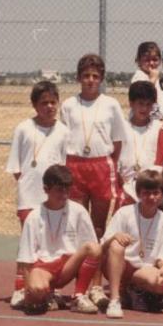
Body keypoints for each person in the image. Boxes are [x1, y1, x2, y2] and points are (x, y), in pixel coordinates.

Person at [7, 80, 70, 307]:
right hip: (29, 196)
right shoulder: (23, 128)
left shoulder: (63, 131)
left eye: (53, 102)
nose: (49, 107)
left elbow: (64, 165)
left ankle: (48, 289)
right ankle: (20, 288)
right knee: (28, 244)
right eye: (44, 103)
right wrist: (28, 186)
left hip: (52, 198)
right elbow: (16, 167)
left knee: (50, 245)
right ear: (35, 105)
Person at [15, 164, 101, 315]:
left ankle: (79, 296)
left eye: (67, 189)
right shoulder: (34, 217)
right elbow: (26, 259)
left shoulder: (78, 211)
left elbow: (91, 247)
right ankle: (47, 294)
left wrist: (96, 285)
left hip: (68, 265)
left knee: (94, 248)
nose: (64, 194)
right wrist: (29, 292)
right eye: (59, 190)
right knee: (37, 290)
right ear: (46, 189)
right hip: (44, 268)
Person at [59, 53, 126, 239]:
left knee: (98, 224)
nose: (90, 80)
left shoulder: (111, 105)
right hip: (74, 165)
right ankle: (77, 256)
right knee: (75, 220)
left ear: (101, 79)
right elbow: (62, 139)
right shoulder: (68, 105)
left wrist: (111, 164)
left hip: (101, 166)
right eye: (86, 75)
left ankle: (97, 256)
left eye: (95, 76)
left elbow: (118, 140)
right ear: (78, 78)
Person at [101, 168, 163, 319]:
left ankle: (133, 290)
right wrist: (115, 236)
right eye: (146, 193)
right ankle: (115, 300)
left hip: (143, 268)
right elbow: (103, 245)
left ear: (162, 194)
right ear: (139, 194)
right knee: (116, 245)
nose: (151, 197)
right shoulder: (124, 213)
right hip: (120, 265)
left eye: (156, 193)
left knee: (162, 284)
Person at [118, 81, 161, 205]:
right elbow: (115, 158)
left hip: (151, 186)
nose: (144, 109)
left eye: (148, 104)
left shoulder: (159, 128)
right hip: (126, 185)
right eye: (140, 104)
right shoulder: (121, 127)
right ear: (131, 103)